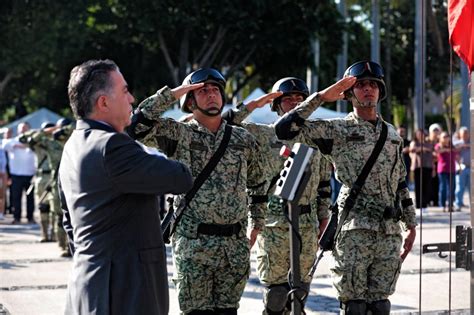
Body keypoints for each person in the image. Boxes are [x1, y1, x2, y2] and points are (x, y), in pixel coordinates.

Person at [274, 60, 417, 314]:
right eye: (361, 85)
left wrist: (411, 223)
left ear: (380, 91)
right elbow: (285, 129)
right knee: (355, 306)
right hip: (354, 230)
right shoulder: (337, 130)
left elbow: (400, 182)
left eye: (373, 85)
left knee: (381, 305)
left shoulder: (392, 134)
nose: (368, 90)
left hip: (388, 231)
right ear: (349, 93)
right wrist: (321, 97)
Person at [127, 67, 270, 315]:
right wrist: (176, 92)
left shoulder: (242, 139)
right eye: (203, 91)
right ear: (190, 100)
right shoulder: (179, 134)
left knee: (227, 312)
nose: (212, 95)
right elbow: (136, 126)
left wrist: (256, 224)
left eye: (216, 90)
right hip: (194, 246)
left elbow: (258, 182)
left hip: (233, 247)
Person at [58, 59, 193, 315]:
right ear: (103, 102)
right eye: (124, 91)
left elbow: (69, 223)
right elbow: (180, 178)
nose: (131, 99)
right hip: (124, 293)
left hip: (89, 287)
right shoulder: (113, 146)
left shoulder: (73, 145)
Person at [222, 77, 332, 314]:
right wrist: (252, 105)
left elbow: (324, 183)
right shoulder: (263, 135)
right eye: (287, 99)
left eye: (299, 99)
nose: (293, 104)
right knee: (276, 294)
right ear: (277, 105)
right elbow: (224, 125)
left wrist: (324, 217)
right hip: (273, 224)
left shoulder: (316, 137)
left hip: (306, 224)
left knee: (300, 291)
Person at [3, 122, 37, 224]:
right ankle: (16, 217)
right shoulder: (12, 141)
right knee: (16, 197)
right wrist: (18, 145)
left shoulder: (33, 142)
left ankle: (30, 217)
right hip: (16, 174)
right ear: (18, 130)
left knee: (30, 198)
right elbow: (5, 146)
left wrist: (26, 145)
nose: (23, 130)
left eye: (25, 128)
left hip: (30, 174)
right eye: (21, 128)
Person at [409, 128, 434, 213]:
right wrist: (422, 149)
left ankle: (425, 205)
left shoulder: (428, 143)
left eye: (422, 134)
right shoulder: (414, 143)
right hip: (417, 167)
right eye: (419, 134)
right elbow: (412, 149)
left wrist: (421, 149)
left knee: (427, 187)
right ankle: (419, 206)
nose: (420, 135)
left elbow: (430, 150)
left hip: (428, 166)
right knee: (418, 187)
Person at [434, 131, 457, 211]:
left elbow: (456, 155)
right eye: (444, 136)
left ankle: (450, 205)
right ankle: (442, 205)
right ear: (440, 138)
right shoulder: (438, 146)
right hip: (442, 169)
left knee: (451, 188)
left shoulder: (452, 146)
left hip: (452, 169)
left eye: (447, 136)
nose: (446, 138)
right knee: (443, 187)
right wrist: (446, 149)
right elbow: (437, 152)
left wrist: (460, 166)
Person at [454, 126, 470, 211]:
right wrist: (463, 145)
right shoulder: (456, 142)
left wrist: (467, 145)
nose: (465, 135)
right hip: (461, 168)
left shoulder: (471, 142)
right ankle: (458, 204)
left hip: (470, 168)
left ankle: (472, 205)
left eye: (466, 133)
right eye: (463, 133)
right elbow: (455, 149)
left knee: (471, 188)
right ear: (460, 134)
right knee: (459, 187)